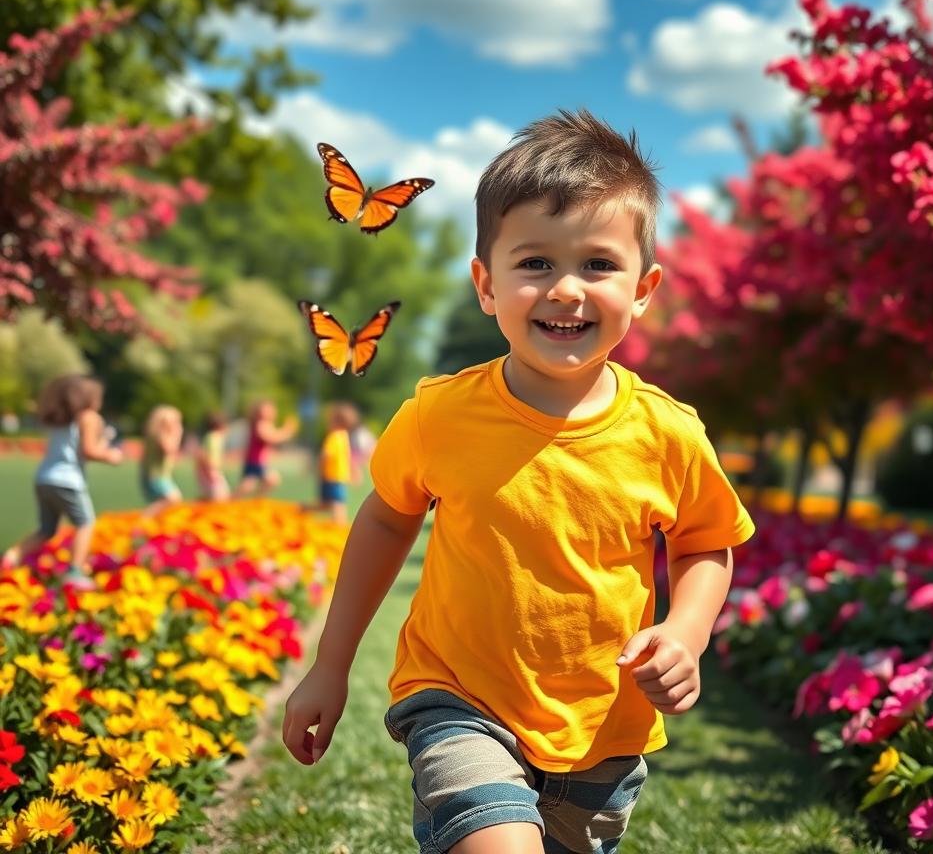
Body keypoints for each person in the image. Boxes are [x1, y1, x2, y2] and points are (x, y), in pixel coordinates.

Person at [282, 110, 756, 854]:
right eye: (535, 263)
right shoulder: (440, 414)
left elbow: (707, 543)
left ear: (643, 289)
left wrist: (686, 632)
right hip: (457, 700)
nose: (566, 289)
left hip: (603, 728)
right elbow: (383, 521)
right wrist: (330, 667)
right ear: (485, 284)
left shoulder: (667, 432)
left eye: (598, 265)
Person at [1, 374, 123, 589]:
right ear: (89, 398)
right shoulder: (88, 416)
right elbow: (88, 450)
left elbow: (75, 446)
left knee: (47, 530)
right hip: (68, 481)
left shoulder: (62, 418)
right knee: (85, 523)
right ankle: (75, 572)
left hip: (44, 479)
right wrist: (110, 455)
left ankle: (12, 556)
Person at [236, 399, 297, 497]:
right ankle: (233, 499)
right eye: (264, 411)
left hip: (260, 462)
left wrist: (286, 431)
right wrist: (287, 431)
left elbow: (275, 434)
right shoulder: (259, 425)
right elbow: (271, 438)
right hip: (254, 461)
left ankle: (255, 499)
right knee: (250, 485)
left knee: (268, 481)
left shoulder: (266, 424)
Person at [317, 402, 361, 526]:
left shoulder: (338, 436)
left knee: (328, 503)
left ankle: (303, 509)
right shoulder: (339, 436)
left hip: (335, 476)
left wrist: (354, 471)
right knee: (338, 503)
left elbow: (345, 456)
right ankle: (339, 524)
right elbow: (327, 454)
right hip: (335, 476)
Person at [140, 404, 183, 515]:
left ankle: (153, 523)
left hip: (158, 475)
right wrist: (177, 434)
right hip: (157, 476)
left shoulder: (155, 434)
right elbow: (169, 449)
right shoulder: (161, 435)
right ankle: (145, 518)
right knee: (173, 499)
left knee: (168, 501)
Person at [195, 411, 230, 501]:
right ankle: (196, 507)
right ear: (222, 426)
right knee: (219, 495)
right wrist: (210, 470)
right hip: (210, 470)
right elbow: (203, 454)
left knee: (221, 494)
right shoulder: (213, 438)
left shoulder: (214, 438)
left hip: (212, 470)